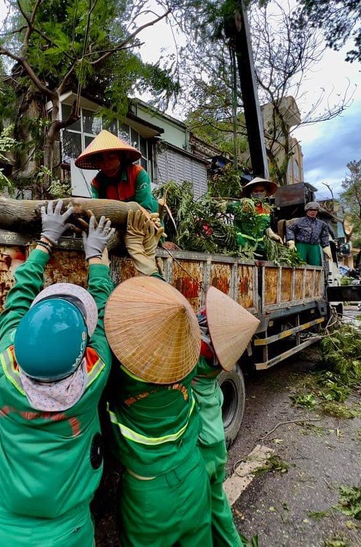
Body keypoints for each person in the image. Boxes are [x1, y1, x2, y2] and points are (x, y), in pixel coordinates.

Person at [0, 201, 116, 547]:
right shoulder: (93, 378)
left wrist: (46, 239)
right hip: (68, 533)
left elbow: (17, 300)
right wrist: (94, 257)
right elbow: (102, 310)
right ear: (81, 351)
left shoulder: (5, 370)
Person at [104, 210, 212, 546]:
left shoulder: (121, 377)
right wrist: (147, 262)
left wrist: (97, 262)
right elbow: (170, 310)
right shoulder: (192, 363)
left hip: (148, 495)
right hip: (194, 478)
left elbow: (100, 329)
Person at [195, 286, 260, 546]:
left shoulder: (195, 362)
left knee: (197, 513)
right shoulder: (212, 365)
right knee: (218, 505)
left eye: (203, 320)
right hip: (216, 446)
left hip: (201, 448)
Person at [75, 129, 158, 214]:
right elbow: (97, 210)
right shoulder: (97, 183)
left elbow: (145, 209)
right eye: (101, 160)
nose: (106, 164)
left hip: (149, 220)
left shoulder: (137, 174)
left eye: (111, 158)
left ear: (120, 157)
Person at [224, 178, 283, 255]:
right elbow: (225, 207)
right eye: (256, 191)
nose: (259, 193)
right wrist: (224, 204)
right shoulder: (241, 205)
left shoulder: (266, 209)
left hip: (260, 248)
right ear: (250, 192)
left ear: (266, 192)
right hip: (243, 247)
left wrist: (272, 235)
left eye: (262, 191)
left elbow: (265, 226)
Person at [285, 201, 332, 266]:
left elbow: (324, 236)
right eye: (311, 210)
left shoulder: (322, 224)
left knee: (315, 264)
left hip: (314, 246)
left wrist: (326, 246)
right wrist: (291, 241)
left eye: (315, 210)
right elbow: (290, 229)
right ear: (306, 210)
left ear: (317, 211)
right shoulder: (299, 221)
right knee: (299, 263)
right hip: (301, 245)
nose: (313, 212)